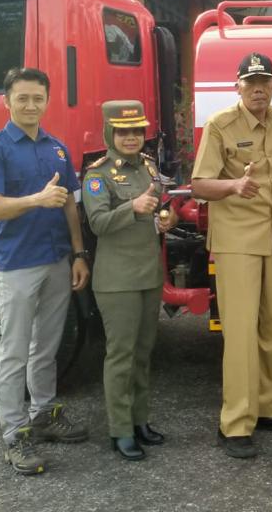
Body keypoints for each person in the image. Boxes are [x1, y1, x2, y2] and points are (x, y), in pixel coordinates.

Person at [191, 52, 272, 459]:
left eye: (264, 82)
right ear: (238, 87)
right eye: (250, 83)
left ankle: (269, 408)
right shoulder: (220, 125)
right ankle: (236, 424)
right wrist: (232, 187)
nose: (258, 89)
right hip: (238, 240)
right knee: (241, 332)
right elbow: (199, 184)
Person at [0, 67, 90, 475]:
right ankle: (14, 435)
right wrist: (36, 199)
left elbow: (69, 202)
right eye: (22, 98)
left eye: (38, 98)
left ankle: (43, 414)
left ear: (47, 101)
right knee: (14, 351)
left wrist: (78, 253)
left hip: (57, 260)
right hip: (18, 264)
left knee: (47, 345)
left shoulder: (57, 149)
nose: (30, 105)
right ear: (7, 101)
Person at [82, 101, 177, 461]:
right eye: (123, 132)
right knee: (121, 356)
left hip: (148, 275)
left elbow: (162, 206)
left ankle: (140, 421)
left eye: (137, 131)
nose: (131, 137)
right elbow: (97, 224)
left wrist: (167, 218)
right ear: (110, 134)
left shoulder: (148, 167)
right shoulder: (97, 175)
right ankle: (120, 430)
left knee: (143, 353)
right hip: (117, 280)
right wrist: (132, 207)